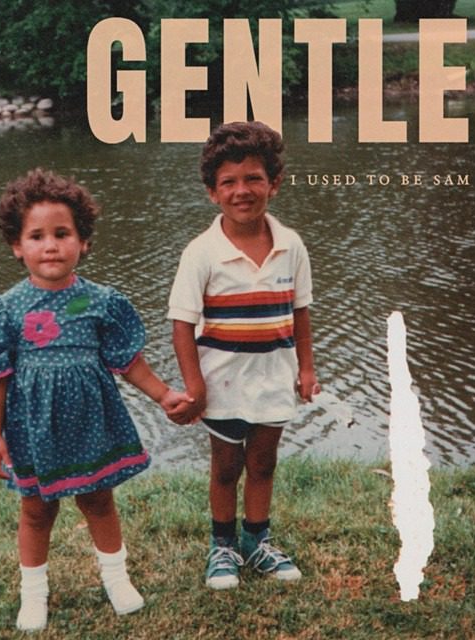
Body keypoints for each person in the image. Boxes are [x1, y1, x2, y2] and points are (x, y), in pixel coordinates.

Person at [0, 168, 191, 631]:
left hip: (92, 422)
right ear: (17, 246)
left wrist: (164, 394)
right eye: (36, 236)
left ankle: (116, 579)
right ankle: (34, 594)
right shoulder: (4, 309)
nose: (50, 246)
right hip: (33, 429)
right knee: (37, 510)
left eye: (62, 234)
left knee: (98, 502)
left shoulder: (99, 302)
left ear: (83, 241)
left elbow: (127, 361)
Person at [168, 121, 320, 590]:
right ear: (212, 192)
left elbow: (300, 311)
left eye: (254, 178)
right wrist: (195, 386)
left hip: (274, 377)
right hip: (223, 383)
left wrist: (307, 368)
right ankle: (222, 546)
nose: (242, 191)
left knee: (264, 463)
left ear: (274, 183)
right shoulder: (201, 253)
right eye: (228, 182)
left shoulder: (291, 245)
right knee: (226, 467)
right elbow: (181, 325)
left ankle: (257, 540)